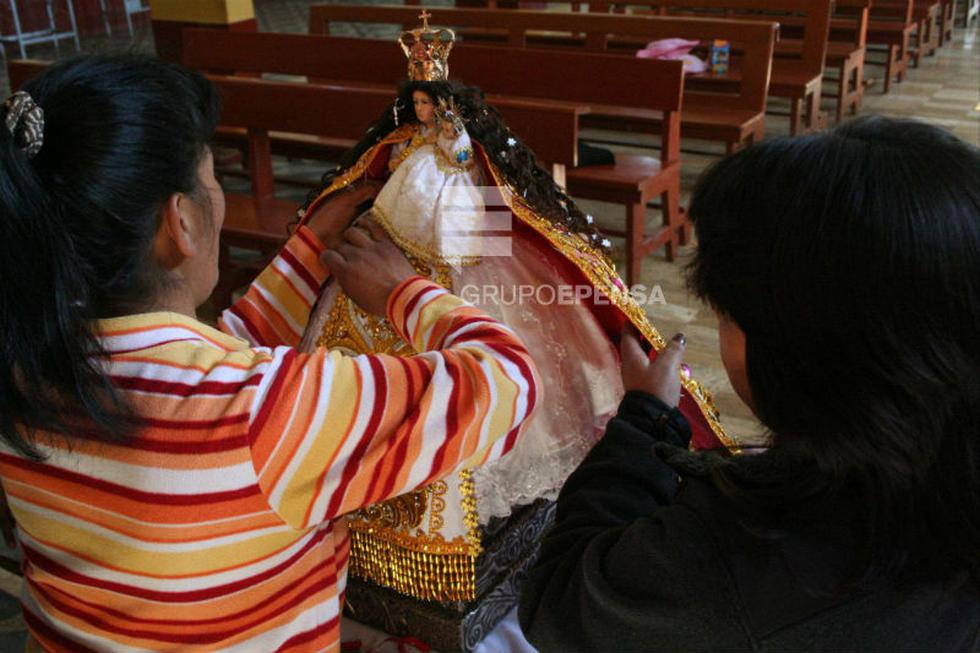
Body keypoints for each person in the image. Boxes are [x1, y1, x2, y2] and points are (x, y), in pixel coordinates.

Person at [0, 54, 541, 652]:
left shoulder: (24, 368)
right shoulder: (266, 414)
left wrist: (310, 252)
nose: (218, 196)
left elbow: (214, 360)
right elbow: (509, 378)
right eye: (211, 180)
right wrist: (401, 292)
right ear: (181, 222)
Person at [297, 21, 734, 608]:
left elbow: (476, 178)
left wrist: (450, 150)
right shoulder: (403, 139)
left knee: (505, 322)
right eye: (416, 103)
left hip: (459, 243)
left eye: (429, 102)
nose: (422, 111)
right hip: (396, 245)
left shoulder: (457, 137)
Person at [518, 116, 980, 651]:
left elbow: (562, 601)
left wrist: (643, 420)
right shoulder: (941, 476)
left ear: (798, 358)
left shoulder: (734, 558)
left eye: (728, 316)